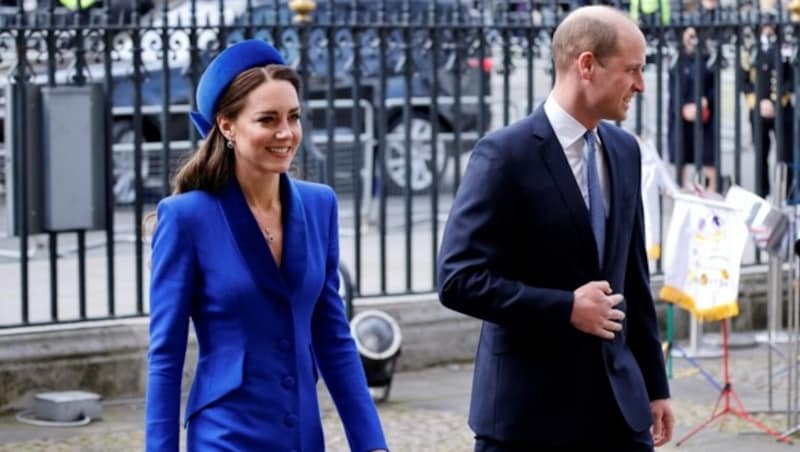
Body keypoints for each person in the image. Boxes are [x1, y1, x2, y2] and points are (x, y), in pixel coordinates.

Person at [437, 6, 673, 451]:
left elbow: (633, 281)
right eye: (632, 70)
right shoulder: (504, 155)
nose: (640, 85)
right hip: (528, 417)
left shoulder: (624, 151)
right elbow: (457, 279)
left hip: (620, 413)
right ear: (587, 65)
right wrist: (565, 307)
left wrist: (655, 387)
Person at [145, 39, 388, 452]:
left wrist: (372, 443)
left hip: (303, 436)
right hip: (226, 435)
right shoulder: (186, 218)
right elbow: (165, 357)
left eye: (294, 117)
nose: (286, 133)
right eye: (267, 119)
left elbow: (332, 336)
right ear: (226, 126)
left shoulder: (319, 204)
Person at [741, 17, 794, 199]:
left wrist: (776, 102)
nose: (768, 27)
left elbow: (791, 78)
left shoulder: (786, 46)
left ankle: (787, 195)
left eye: (771, 23)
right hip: (758, 109)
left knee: (786, 155)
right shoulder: (751, 48)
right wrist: (758, 103)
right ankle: (762, 194)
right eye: (765, 23)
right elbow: (744, 80)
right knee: (760, 154)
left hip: (782, 109)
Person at [668, 26, 718, 192]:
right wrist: (682, 107)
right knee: (680, 156)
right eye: (688, 34)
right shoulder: (677, 59)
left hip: (704, 115)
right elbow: (672, 88)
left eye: (695, 34)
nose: (692, 37)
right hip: (682, 114)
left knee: (708, 157)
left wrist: (704, 101)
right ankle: (680, 192)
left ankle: (711, 196)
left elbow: (713, 87)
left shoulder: (707, 58)